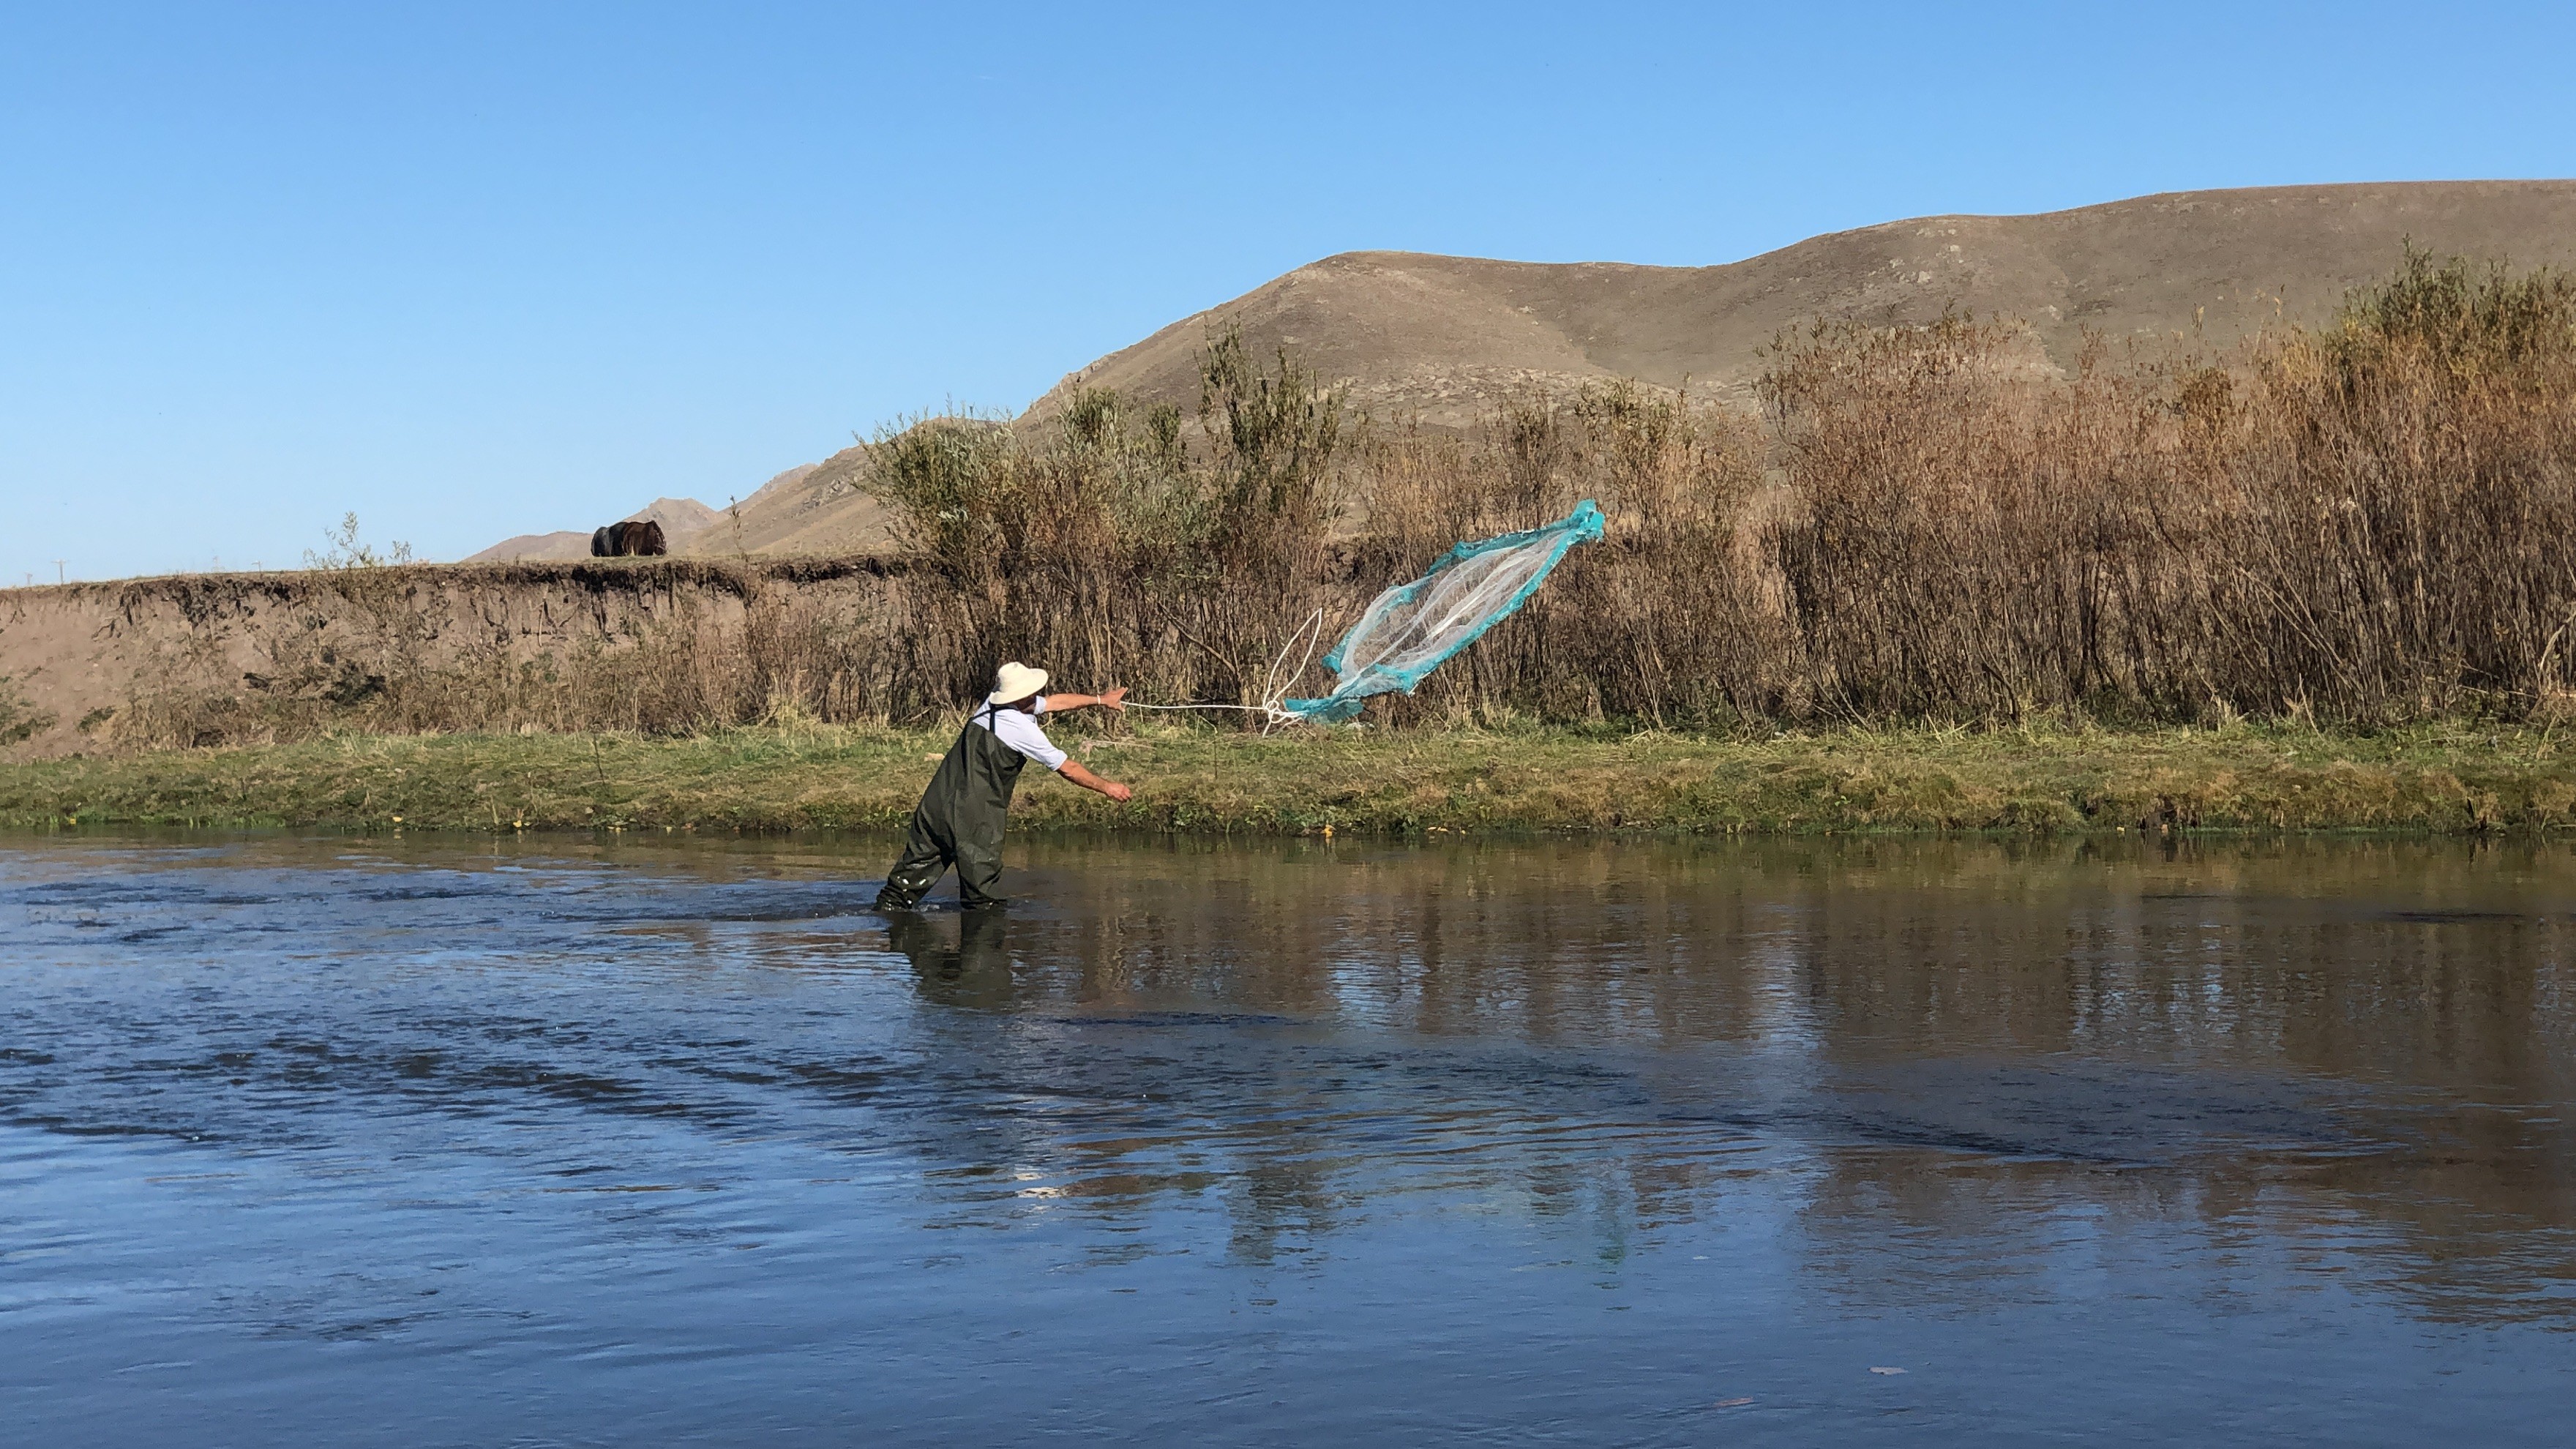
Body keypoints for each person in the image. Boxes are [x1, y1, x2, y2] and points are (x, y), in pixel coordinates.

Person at [874, 661, 1131, 911]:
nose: (1037, 694)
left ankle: (888, 930)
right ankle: (983, 947)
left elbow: (1054, 703)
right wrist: (1108, 787)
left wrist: (1101, 700)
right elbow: (1068, 768)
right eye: (1032, 691)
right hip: (975, 817)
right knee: (983, 902)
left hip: (936, 806)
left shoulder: (991, 703)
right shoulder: (1021, 729)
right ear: (1020, 696)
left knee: (899, 893)